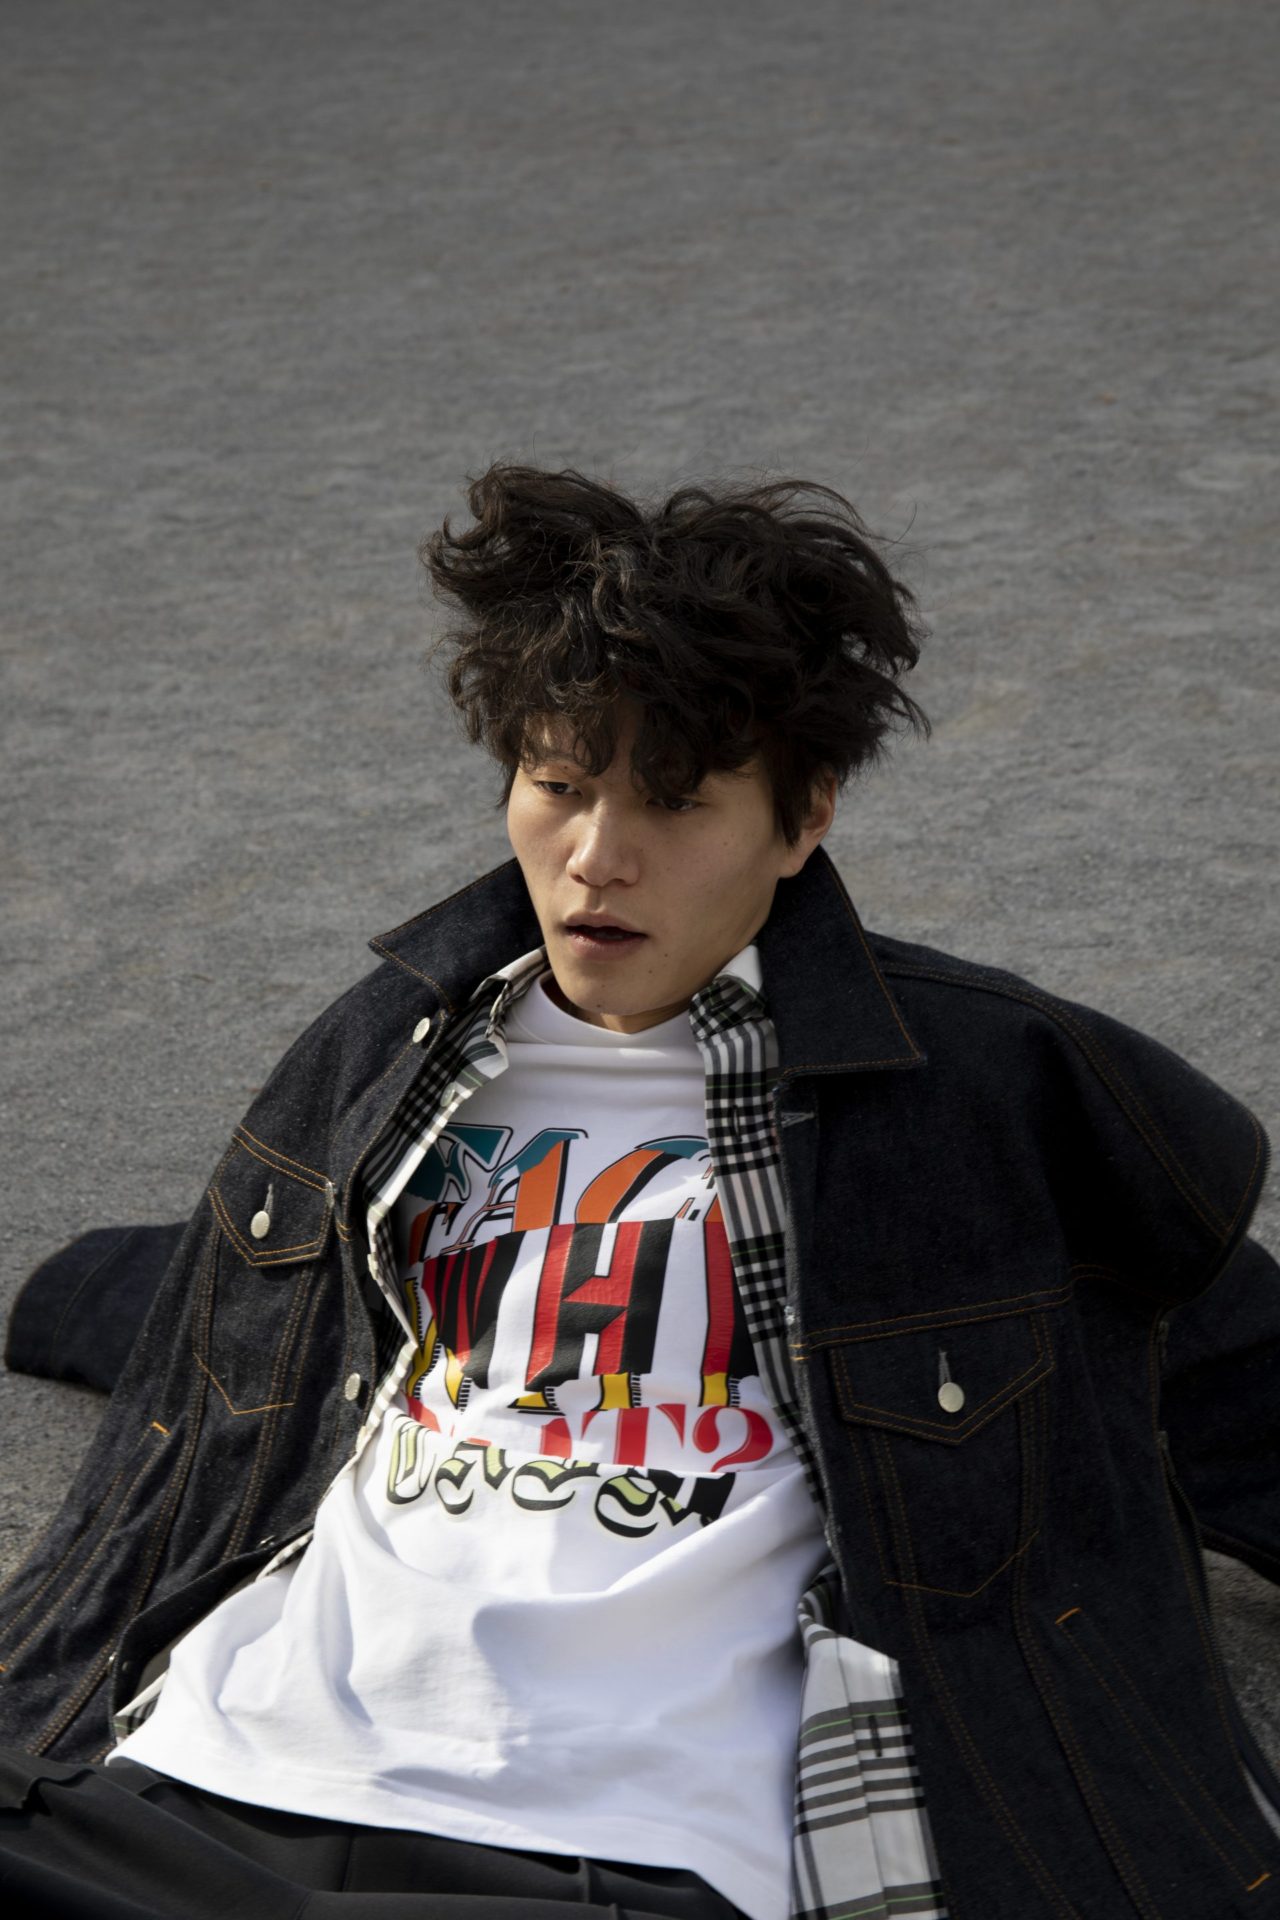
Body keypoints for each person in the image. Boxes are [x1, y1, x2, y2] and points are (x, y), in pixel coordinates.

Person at [0, 464, 1277, 1920]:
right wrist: (66, 1294)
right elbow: (272, 1313)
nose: (598, 858)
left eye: (674, 802)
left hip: (620, 1849)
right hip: (209, 1784)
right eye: (559, 787)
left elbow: (1209, 1365)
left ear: (803, 819)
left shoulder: (966, 1107)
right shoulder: (391, 1050)